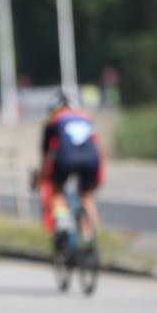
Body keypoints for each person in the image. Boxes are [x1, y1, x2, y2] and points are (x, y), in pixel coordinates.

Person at [39, 90, 103, 242]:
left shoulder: (54, 119)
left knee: (58, 190)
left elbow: (47, 152)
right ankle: (91, 237)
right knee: (86, 196)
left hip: (66, 158)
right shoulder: (86, 116)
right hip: (91, 158)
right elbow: (97, 145)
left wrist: (43, 175)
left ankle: (62, 223)